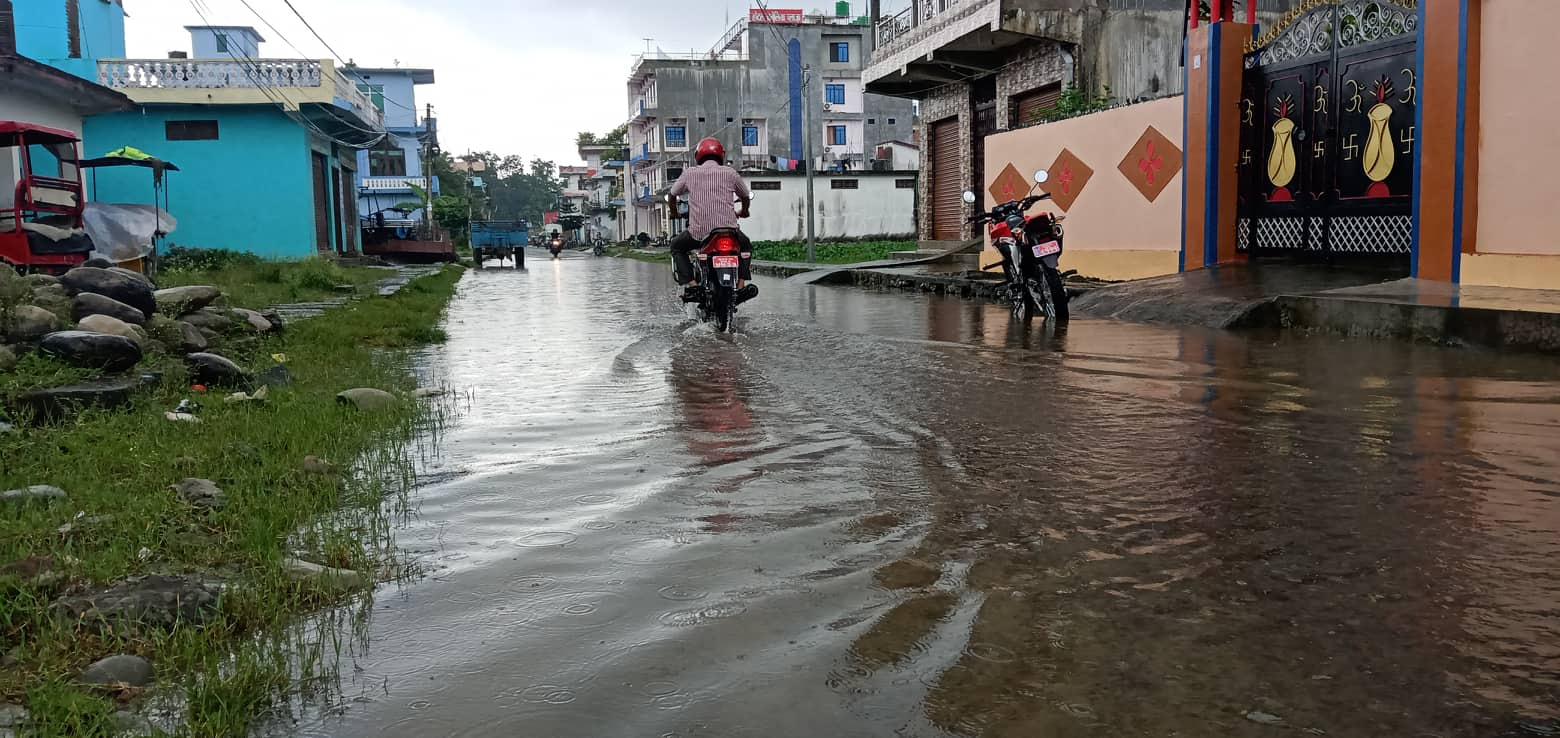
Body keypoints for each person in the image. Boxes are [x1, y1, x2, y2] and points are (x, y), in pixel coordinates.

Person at [668, 137, 758, 304]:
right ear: (721, 155)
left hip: (699, 234)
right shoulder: (730, 173)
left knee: (676, 246)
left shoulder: (689, 173)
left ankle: (693, 285)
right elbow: (745, 196)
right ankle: (740, 284)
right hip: (730, 232)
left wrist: (674, 212)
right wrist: (744, 211)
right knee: (745, 246)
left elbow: (672, 195)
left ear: (698, 156)